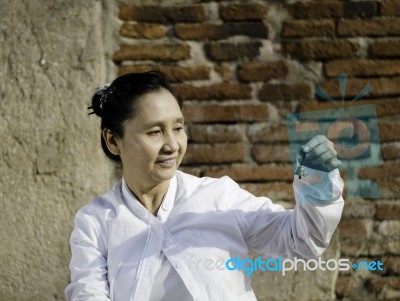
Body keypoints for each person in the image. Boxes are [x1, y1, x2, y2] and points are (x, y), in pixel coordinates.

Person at [65, 70, 344, 301]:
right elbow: (88, 295)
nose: (172, 145)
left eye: (178, 127)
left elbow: (301, 240)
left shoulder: (219, 198)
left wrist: (317, 180)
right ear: (114, 141)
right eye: (154, 132)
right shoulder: (96, 222)